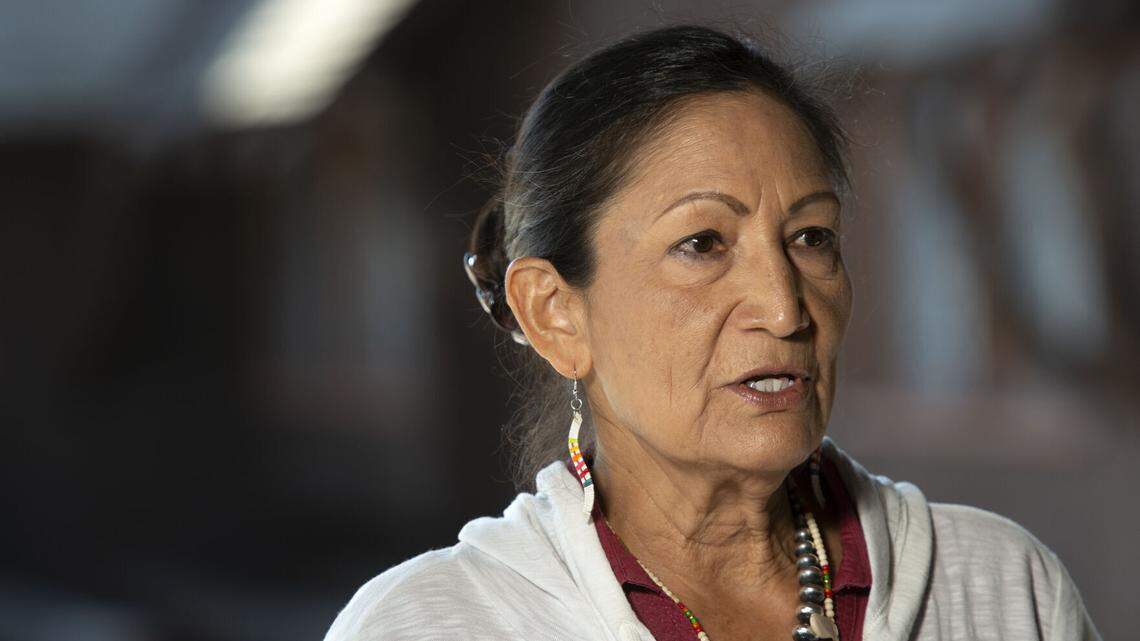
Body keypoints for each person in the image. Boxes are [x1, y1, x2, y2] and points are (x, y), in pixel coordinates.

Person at [323, 24, 1102, 641]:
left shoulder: (1001, 587)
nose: (785, 308)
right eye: (703, 243)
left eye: (811, 237)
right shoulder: (430, 624)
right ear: (556, 313)